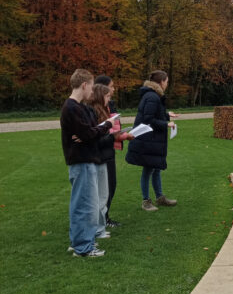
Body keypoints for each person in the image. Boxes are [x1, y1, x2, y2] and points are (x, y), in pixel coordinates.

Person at [60, 69, 115, 257]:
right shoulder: (71, 108)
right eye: (91, 85)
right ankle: (83, 247)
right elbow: (88, 134)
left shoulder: (81, 107)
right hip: (81, 161)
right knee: (85, 206)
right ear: (84, 85)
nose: (93, 90)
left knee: (83, 204)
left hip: (86, 159)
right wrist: (106, 126)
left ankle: (78, 242)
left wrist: (90, 132)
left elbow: (89, 131)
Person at [126, 70, 178, 211]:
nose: (167, 84)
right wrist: (166, 124)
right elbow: (148, 119)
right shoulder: (152, 97)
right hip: (147, 140)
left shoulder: (153, 96)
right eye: (167, 81)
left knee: (156, 168)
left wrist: (167, 115)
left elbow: (154, 114)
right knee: (148, 169)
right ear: (161, 82)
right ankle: (146, 201)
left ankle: (160, 197)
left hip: (152, 140)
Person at [94, 74, 126, 227]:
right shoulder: (95, 109)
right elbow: (100, 133)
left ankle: (104, 218)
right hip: (103, 152)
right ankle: (101, 220)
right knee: (104, 188)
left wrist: (121, 135)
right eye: (111, 87)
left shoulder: (108, 105)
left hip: (110, 149)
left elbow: (113, 126)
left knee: (110, 186)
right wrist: (117, 136)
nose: (113, 89)